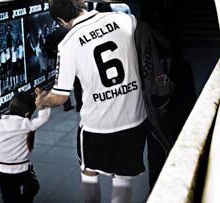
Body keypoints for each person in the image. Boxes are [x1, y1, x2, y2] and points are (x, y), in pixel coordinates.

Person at [35, 0, 155, 202]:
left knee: (89, 173)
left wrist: (42, 100)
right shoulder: (124, 19)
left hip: (97, 126)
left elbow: (61, 96)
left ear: (60, 20)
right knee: (123, 179)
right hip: (135, 119)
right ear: (81, 3)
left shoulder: (68, 43)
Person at [0, 92, 51, 203]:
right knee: (33, 187)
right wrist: (44, 103)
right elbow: (43, 118)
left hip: (2, 171)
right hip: (23, 171)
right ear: (26, 114)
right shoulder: (26, 124)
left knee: (10, 198)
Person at [44, 24, 83, 112]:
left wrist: (55, 55)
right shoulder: (69, 31)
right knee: (76, 83)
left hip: (59, 60)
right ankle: (79, 105)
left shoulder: (51, 34)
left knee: (63, 84)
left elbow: (48, 51)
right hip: (72, 59)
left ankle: (67, 105)